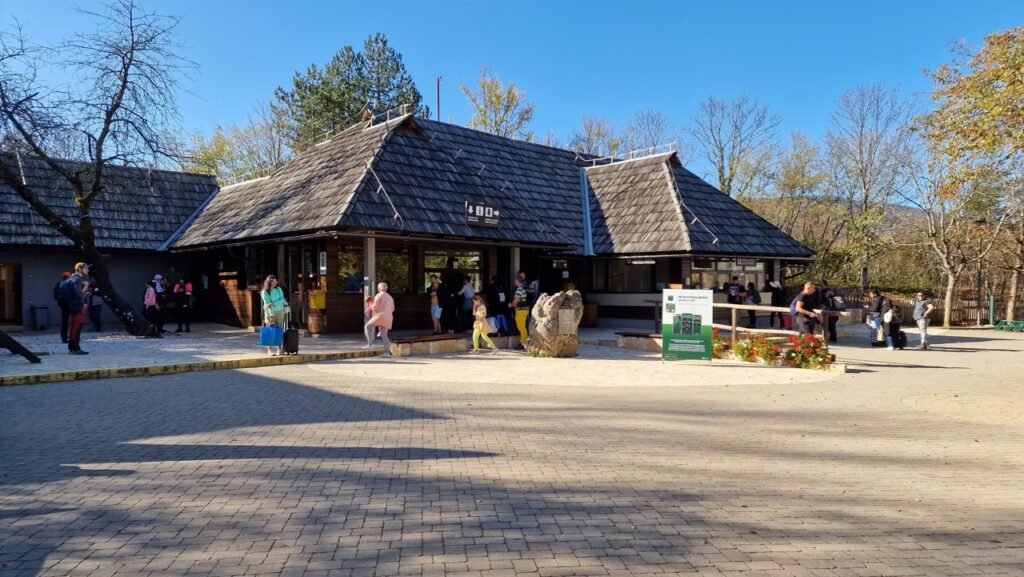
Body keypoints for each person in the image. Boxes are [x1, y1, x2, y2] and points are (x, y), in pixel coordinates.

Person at [364, 282, 395, 357]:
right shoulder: (390, 297)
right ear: (386, 288)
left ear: (379, 288)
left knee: (367, 327)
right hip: (389, 317)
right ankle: (387, 353)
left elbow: (374, 307)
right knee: (384, 335)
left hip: (380, 315)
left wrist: (371, 305)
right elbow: (393, 309)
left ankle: (370, 344)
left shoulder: (379, 295)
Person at [65, 262, 90, 355]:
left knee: (74, 327)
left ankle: (74, 347)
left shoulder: (72, 278)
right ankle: (74, 348)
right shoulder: (77, 279)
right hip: (78, 306)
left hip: (73, 305)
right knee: (76, 327)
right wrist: (86, 287)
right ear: (80, 269)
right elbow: (78, 294)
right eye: (86, 268)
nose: (87, 269)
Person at [261, 275, 287, 356]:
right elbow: (268, 304)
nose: (275, 283)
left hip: (280, 311)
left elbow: (282, 299)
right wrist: (271, 314)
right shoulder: (264, 292)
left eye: (276, 281)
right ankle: (269, 350)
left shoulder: (279, 289)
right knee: (270, 330)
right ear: (269, 282)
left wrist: (274, 303)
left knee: (279, 330)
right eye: (273, 282)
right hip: (269, 313)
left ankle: (280, 348)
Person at [509, 276, 529, 347]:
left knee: (521, 327)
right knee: (522, 326)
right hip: (523, 310)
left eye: (515, 281)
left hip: (521, 310)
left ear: (517, 281)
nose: (514, 282)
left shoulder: (519, 289)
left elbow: (516, 299)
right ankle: (523, 342)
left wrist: (511, 305)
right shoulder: (523, 288)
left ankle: (524, 343)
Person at [54, 271, 72, 343]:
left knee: (64, 320)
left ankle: (64, 337)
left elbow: (55, 295)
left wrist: (60, 301)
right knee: (74, 320)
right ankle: (73, 337)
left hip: (62, 304)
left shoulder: (58, 284)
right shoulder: (69, 284)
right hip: (71, 303)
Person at [820, 279, 839, 343]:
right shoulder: (830, 290)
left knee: (830, 324)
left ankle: (831, 338)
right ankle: (832, 337)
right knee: (831, 325)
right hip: (832, 310)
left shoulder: (825, 291)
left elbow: (826, 301)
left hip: (829, 310)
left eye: (821, 283)